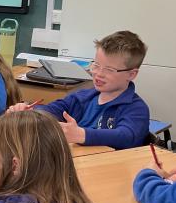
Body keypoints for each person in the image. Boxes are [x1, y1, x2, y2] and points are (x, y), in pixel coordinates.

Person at [8, 30, 150, 149]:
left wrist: (81, 135)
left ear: (131, 74)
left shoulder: (137, 109)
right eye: (96, 65)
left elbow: (126, 137)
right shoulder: (82, 97)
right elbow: (54, 109)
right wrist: (30, 112)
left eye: (109, 69)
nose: (99, 74)